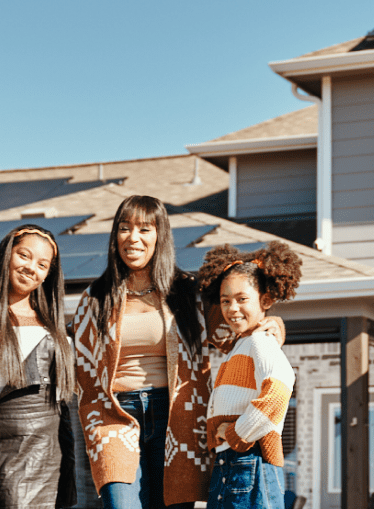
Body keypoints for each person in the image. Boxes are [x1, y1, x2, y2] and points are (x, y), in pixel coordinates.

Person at [72, 195, 284, 509]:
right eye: (124, 228)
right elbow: (82, 369)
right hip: (115, 416)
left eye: (145, 229)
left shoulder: (187, 291)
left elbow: (236, 327)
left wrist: (274, 323)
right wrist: (94, 422)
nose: (133, 238)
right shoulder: (96, 297)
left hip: (178, 416)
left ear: (160, 236)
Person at [0, 225, 78, 508]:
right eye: (24, 256)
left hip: (53, 447)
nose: (31, 268)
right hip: (0, 444)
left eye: (42, 265)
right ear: (7, 254)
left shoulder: (53, 326)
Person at [196, 241, 301, 509]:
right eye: (225, 301)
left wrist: (236, 433)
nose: (232, 308)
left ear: (265, 300)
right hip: (233, 462)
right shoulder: (239, 345)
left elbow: (279, 390)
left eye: (242, 299)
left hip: (250, 461)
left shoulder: (260, 342)